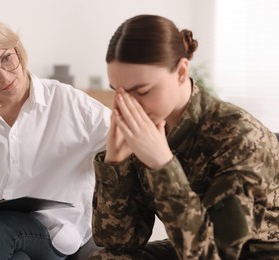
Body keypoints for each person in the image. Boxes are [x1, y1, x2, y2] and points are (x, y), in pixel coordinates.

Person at [89, 14, 279, 259]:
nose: (128, 107)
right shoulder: (149, 123)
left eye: (142, 91)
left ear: (180, 71)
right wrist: (115, 164)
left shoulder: (239, 136)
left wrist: (162, 165)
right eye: (119, 92)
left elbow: (214, 254)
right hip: (188, 246)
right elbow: (118, 242)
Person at [0, 15, 110, 260]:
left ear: (16, 49)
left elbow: (125, 136)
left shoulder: (68, 102)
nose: (5, 78)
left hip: (49, 233)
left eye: (7, 59)